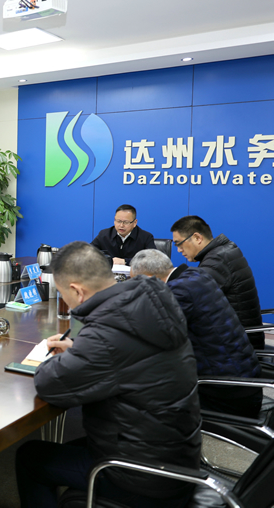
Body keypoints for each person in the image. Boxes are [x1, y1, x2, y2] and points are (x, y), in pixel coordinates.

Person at [16, 241, 200, 508]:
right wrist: (79, 349)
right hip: (177, 456)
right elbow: (125, 355)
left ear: (77, 291)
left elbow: (49, 383)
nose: (65, 302)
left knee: (30, 456)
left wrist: (53, 357)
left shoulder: (106, 333)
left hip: (142, 478)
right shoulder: (151, 301)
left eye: (63, 295)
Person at [131, 249, 262, 418]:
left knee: (140, 397)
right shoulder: (197, 275)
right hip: (245, 381)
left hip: (226, 395)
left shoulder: (177, 293)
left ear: (150, 279)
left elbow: (147, 335)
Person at [170, 215, 263, 349]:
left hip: (237, 344)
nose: (179, 250)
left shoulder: (217, 260)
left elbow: (189, 297)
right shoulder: (222, 251)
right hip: (237, 334)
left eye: (179, 243)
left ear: (197, 238)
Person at [91, 204, 155, 266]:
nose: (121, 225)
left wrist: (126, 261)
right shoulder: (104, 235)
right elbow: (89, 252)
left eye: (126, 222)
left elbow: (153, 259)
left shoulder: (145, 237)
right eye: (118, 221)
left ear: (135, 222)